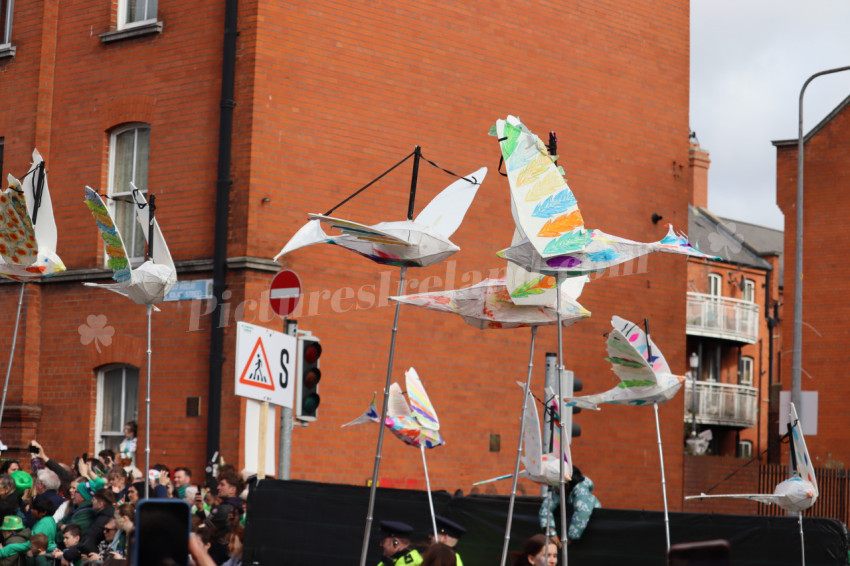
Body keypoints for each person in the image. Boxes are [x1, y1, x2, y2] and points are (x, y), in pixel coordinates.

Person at [538, 467, 600, 543]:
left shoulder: (582, 491)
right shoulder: (559, 491)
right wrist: (551, 532)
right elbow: (546, 508)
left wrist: (570, 539)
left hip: (590, 531)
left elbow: (582, 513)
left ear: (567, 485)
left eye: (556, 484)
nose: (554, 487)